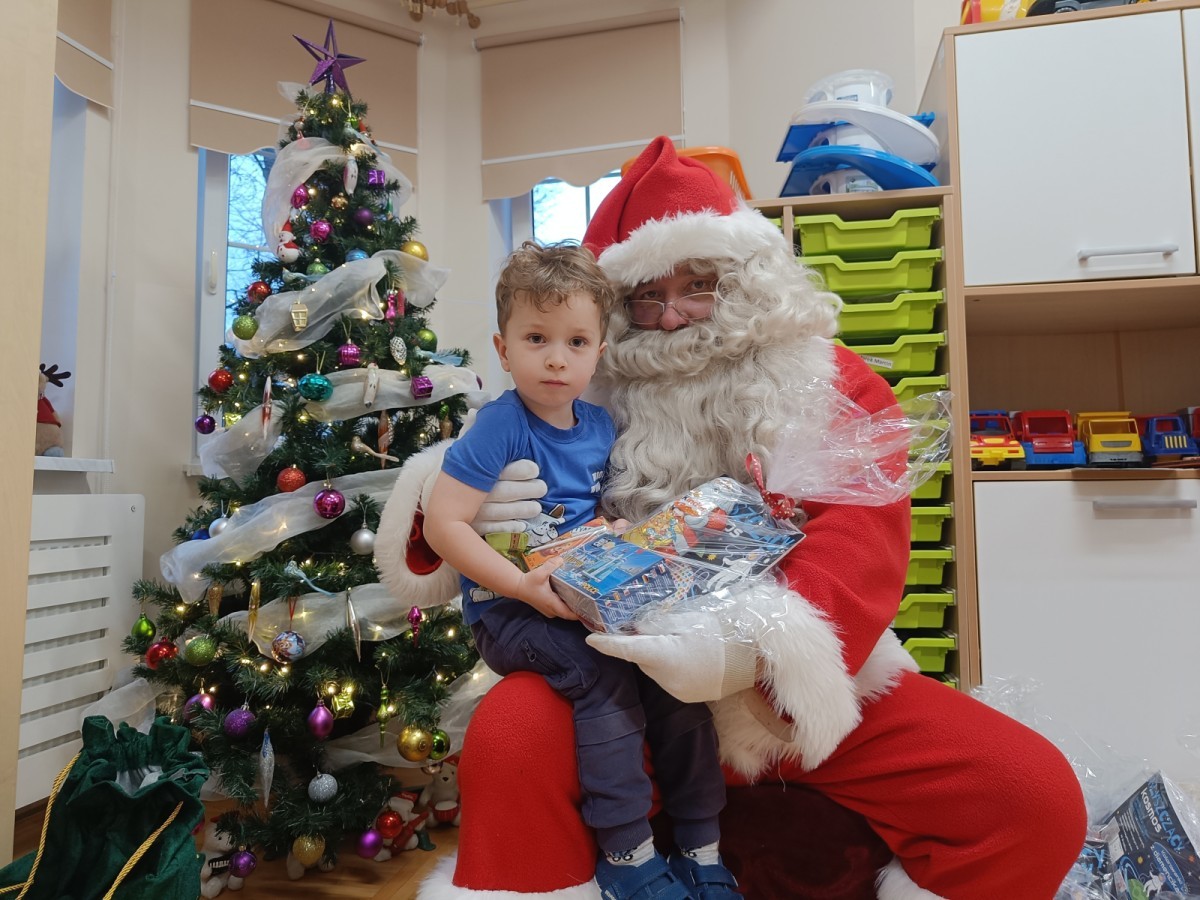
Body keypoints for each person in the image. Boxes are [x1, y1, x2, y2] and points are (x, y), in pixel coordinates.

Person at [377, 138, 1087, 899]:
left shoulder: (829, 382)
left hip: (793, 690)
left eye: (699, 285)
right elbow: (459, 496)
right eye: (645, 297)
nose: (671, 316)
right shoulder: (579, 383)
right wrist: (459, 504)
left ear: (749, 281)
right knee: (511, 734)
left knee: (1029, 798)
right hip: (621, 677)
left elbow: (861, 541)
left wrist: (745, 649)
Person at [421, 240, 739, 900]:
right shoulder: (500, 425)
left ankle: (700, 845)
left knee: (669, 672)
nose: (556, 358)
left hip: (579, 593)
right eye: (536, 339)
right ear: (503, 348)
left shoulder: (598, 424)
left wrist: (617, 537)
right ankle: (627, 855)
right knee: (602, 676)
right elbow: (442, 525)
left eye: (575, 342)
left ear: (599, 351)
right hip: (510, 612)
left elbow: (592, 515)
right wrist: (521, 587)